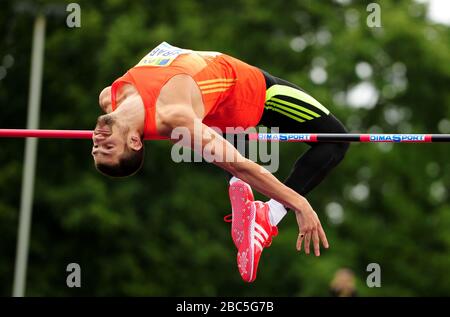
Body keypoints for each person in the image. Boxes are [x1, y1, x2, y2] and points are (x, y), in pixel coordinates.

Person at [92, 42, 349, 282]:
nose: (98, 141)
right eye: (109, 147)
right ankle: (269, 215)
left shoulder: (109, 97)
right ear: (135, 142)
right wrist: (298, 203)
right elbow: (239, 163)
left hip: (214, 112)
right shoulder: (173, 116)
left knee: (223, 140)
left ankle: (242, 193)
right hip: (253, 93)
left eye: (97, 148)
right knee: (336, 140)